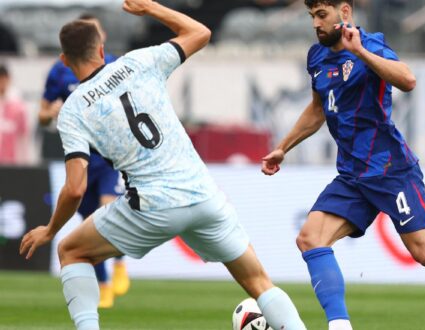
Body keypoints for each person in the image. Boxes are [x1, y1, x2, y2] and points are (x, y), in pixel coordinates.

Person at [20, 1, 306, 329]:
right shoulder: (140, 61)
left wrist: (51, 229)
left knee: (71, 250)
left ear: (64, 60)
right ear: (102, 49)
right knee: (259, 282)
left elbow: (75, 188)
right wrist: (152, 8)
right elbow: (201, 32)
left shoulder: (72, 111)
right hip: (203, 195)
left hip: (152, 205)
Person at [261, 1, 425, 330]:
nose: (316, 24)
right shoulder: (316, 58)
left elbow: (407, 79)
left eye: (322, 15)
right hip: (352, 176)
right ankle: (339, 325)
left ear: (344, 13)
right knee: (310, 238)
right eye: (312, 17)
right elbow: (318, 110)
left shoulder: (370, 43)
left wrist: (360, 52)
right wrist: (282, 148)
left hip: (389, 168)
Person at [38, 13, 129, 309]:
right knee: (92, 224)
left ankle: (119, 263)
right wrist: (49, 113)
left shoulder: (115, 66)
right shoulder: (58, 72)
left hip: (109, 156)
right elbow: (41, 114)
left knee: (107, 210)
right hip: (79, 157)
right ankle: (103, 283)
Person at [0, 64, 29, 165]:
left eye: (3, 79)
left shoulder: (17, 105)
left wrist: (24, 161)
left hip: (12, 162)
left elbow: (24, 135)